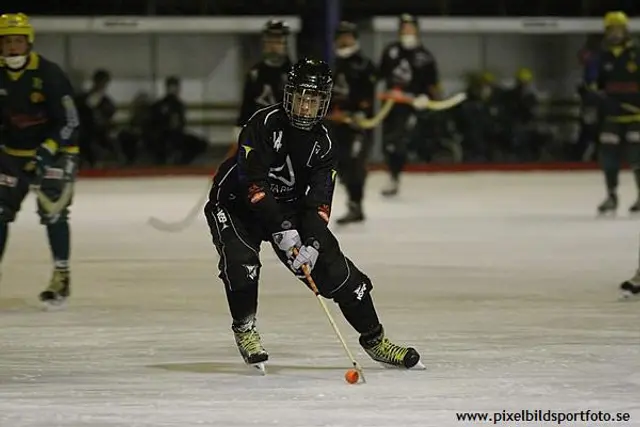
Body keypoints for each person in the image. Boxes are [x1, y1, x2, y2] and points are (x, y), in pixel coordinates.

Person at [204, 58, 423, 372]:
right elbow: (255, 185)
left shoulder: (325, 143)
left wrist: (312, 244)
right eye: (302, 98)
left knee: (343, 279)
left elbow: (319, 203)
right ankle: (245, 329)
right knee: (242, 265)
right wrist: (284, 231)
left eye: (315, 100)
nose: (307, 107)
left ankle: (376, 341)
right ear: (289, 95)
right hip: (237, 207)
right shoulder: (262, 124)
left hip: (289, 211)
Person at [0, 13, 79, 307]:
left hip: (56, 153)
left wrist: (46, 152)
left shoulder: (49, 73)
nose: (12, 48)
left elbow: (70, 121)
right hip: (11, 156)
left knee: (54, 213)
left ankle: (61, 275)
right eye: (7, 42)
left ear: (28, 43)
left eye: (18, 41)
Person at [584, 11, 640, 215]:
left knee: (637, 154)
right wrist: (594, 95)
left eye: (619, 29)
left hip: (637, 116)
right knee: (608, 156)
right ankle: (611, 196)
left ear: (626, 30)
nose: (615, 33)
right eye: (612, 29)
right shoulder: (600, 57)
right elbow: (592, 83)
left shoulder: (637, 53)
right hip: (611, 116)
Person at [377, 13, 440, 196]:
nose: (407, 31)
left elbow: (432, 85)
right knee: (388, 142)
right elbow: (379, 75)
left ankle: (395, 176)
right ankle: (392, 174)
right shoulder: (390, 51)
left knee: (399, 141)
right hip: (390, 104)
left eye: (411, 27)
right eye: (404, 27)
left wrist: (426, 98)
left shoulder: (425, 56)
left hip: (411, 106)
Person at [326, 21, 376, 225]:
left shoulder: (364, 65)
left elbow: (368, 95)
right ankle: (353, 204)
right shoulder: (332, 65)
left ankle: (356, 205)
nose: (344, 40)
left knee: (356, 162)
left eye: (348, 35)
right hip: (336, 124)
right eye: (341, 36)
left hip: (358, 124)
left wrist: (358, 113)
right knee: (342, 164)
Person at [234, 20, 293, 140]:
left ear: (285, 43)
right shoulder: (255, 73)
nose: (273, 46)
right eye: (270, 40)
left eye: (278, 41)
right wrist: (238, 133)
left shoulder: (294, 73)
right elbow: (247, 106)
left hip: (286, 133)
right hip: (259, 132)